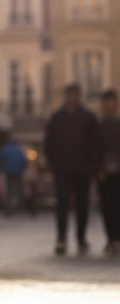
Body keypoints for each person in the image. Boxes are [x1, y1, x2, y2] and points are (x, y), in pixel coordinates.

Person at [44, 83, 100, 254]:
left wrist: (92, 166)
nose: (72, 98)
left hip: (82, 170)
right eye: (70, 95)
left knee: (82, 205)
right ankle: (61, 238)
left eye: (75, 95)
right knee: (61, 204)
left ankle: (81, 238)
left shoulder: (88, 118)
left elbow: (95, 144)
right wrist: (53, 165)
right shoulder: (57, 118)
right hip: (62, 169)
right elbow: (49, 143)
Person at [97, 89, 120, 254]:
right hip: (104, 173)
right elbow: (94, 150)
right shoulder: (98, 127)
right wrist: (98, 169)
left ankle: (117, 238)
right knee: (106, 206)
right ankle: (111, 238)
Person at [0, 134, 27, 215]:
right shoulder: (19, 149)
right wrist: (22, 169)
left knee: (9, 190)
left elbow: (1, 159)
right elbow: (24, 161)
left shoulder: (5, 149)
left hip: (8, 171)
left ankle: (9, 207)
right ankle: (16, 206)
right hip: (18, 172)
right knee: (17, 189)